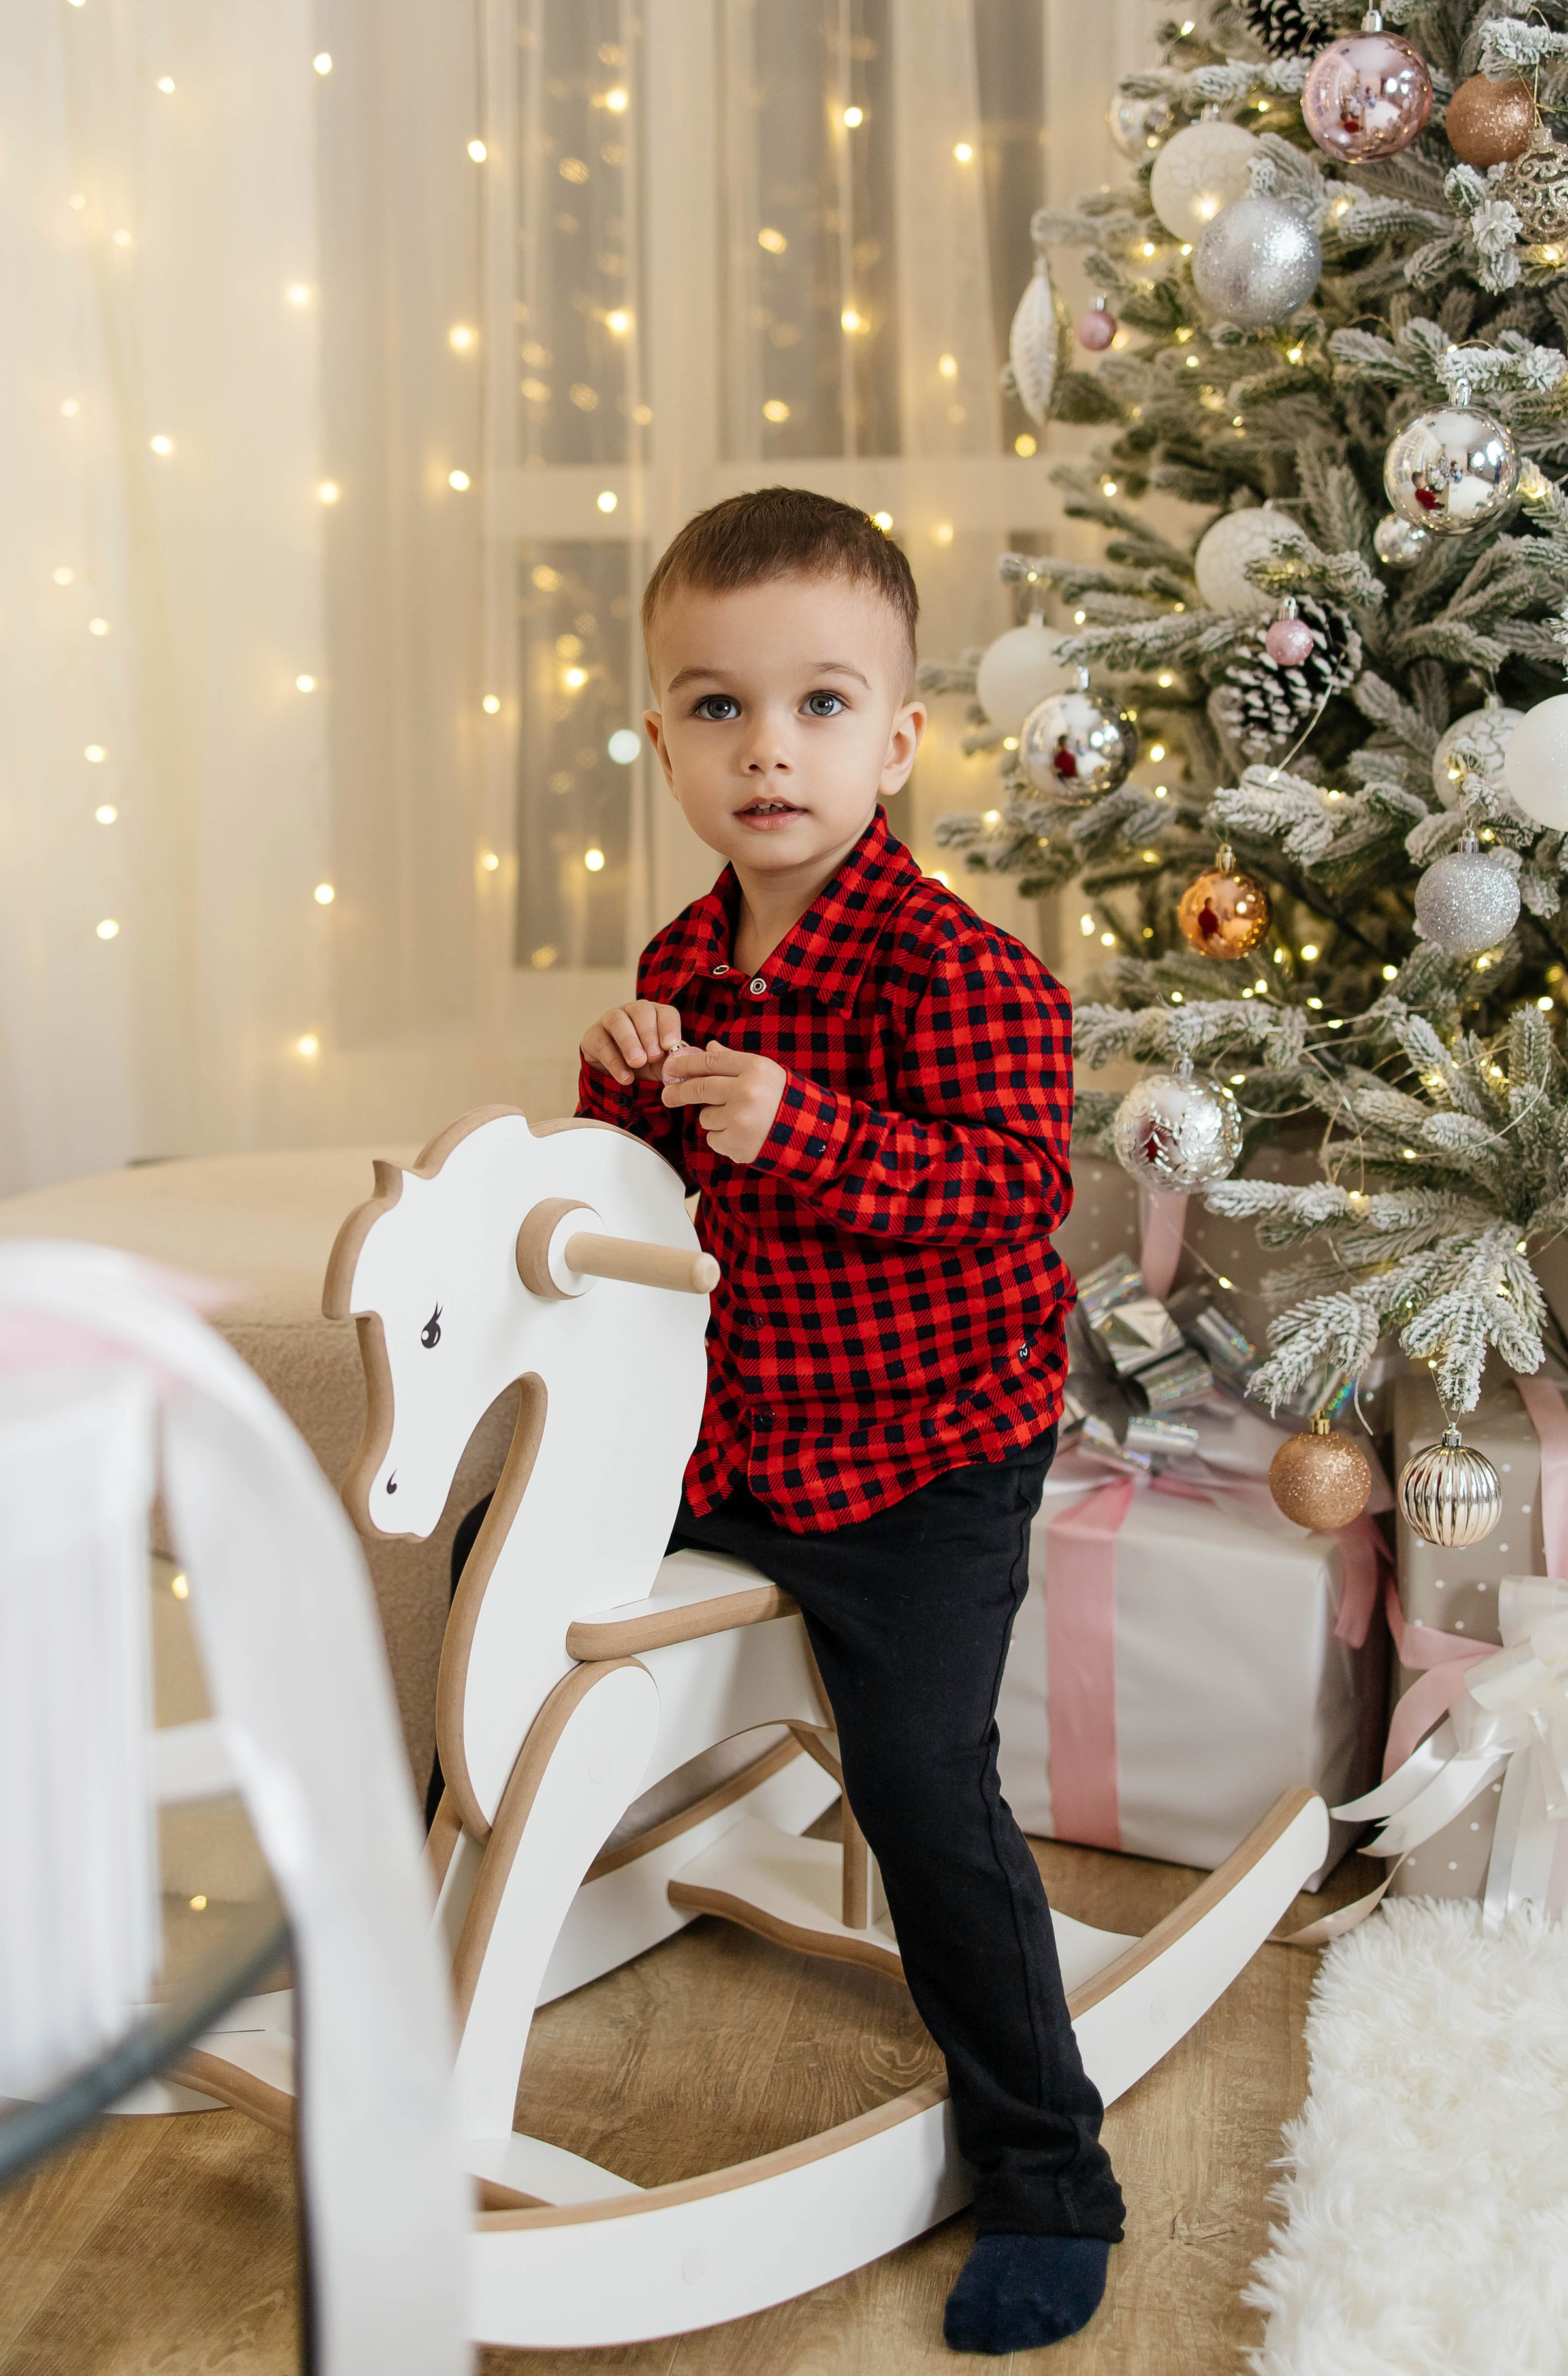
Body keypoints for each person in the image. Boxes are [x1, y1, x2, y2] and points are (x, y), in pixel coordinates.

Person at [575, 486, 1124, 2356]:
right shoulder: (680, 963)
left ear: (898, 736)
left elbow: (1004, 1192)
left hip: (924, 1452)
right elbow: (654, 1208)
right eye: (715, 708)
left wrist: (792, 1124)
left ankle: (1052, 2164)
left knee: (920, 1782)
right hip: (745, 1433)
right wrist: (632, 1091)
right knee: (517, 1584)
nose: (766, 750)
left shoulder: (963, 972)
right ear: (660, 736)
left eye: (819, 705)